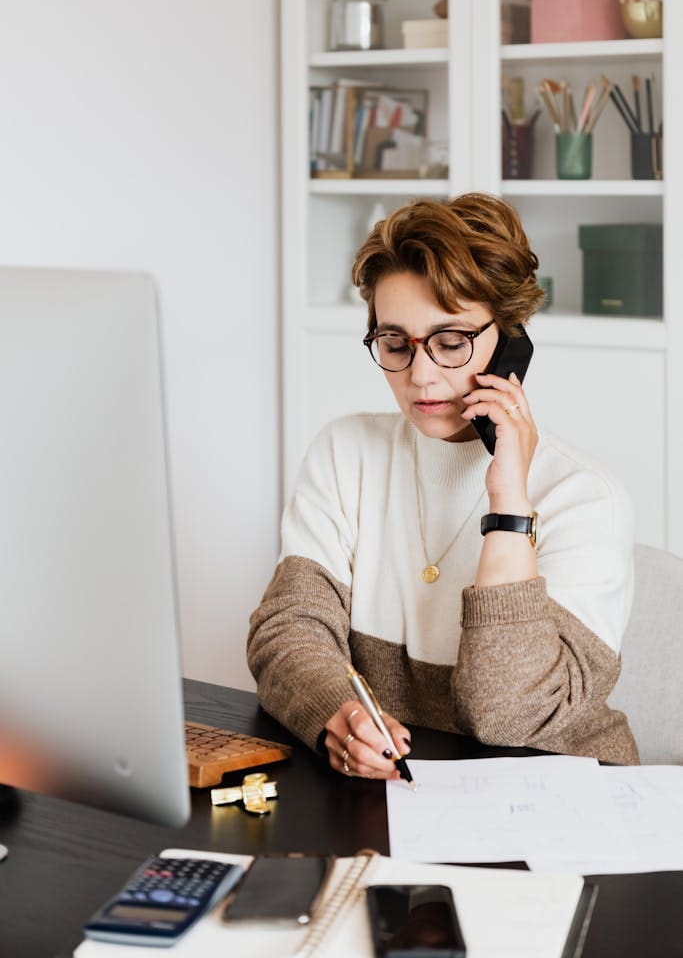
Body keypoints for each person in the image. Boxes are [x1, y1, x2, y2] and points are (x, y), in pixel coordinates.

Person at [247, 193, 638, 780]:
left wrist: (509, 506)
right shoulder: (345, 451)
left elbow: (508, 718)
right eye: (396, 343)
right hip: (399, 793)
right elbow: (288, 627)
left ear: (511, 341)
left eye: (451, 341)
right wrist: (341, 714)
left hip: (564, 800)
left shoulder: (585, 498)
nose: (420, 375)